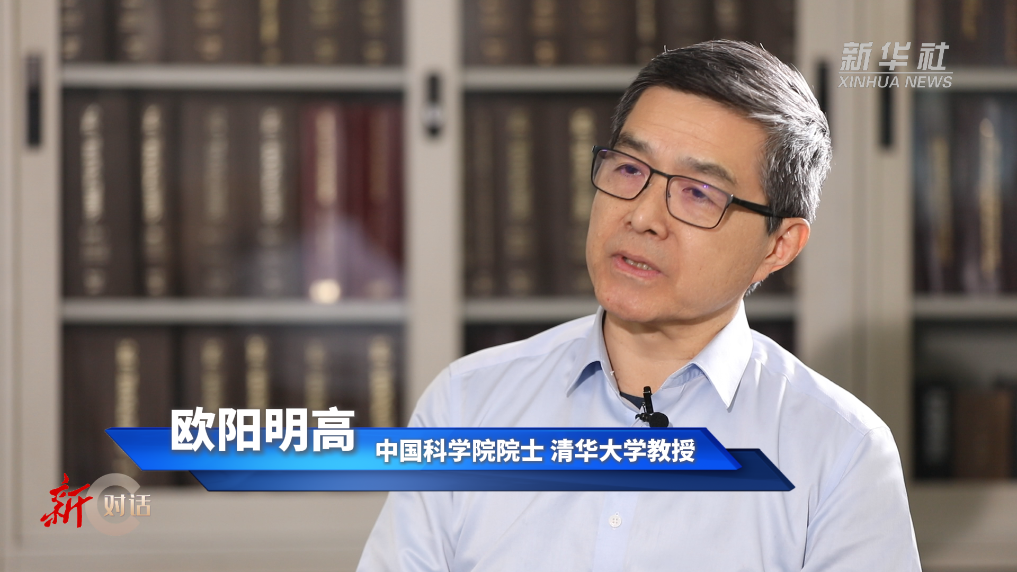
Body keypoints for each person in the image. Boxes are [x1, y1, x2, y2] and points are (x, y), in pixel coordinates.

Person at [358, 40, 921, 571]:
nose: (643, 216)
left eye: (698, 193)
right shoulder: (467, 405)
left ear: (778, 246)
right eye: (629, 170)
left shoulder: (840, 451)